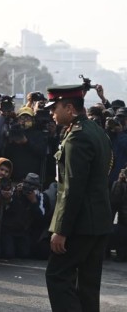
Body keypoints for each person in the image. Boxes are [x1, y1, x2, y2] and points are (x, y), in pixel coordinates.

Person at [44, 84, 113, 312]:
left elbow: (72, 188)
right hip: (98, 221)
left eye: (55, 107)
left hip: (80, 224)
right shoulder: (96, 130)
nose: (52, 113)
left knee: (57, 276)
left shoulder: (77, 138)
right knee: (88, 286)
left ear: (70, 107)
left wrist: (61, 230)